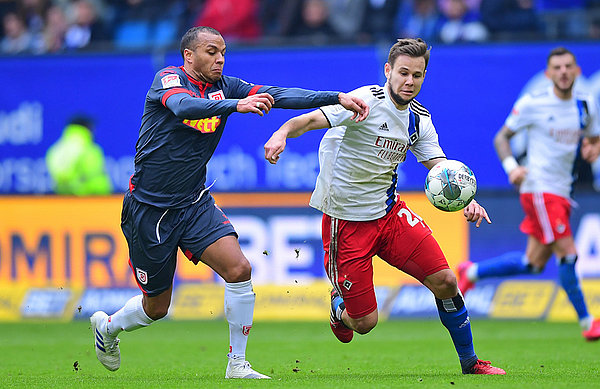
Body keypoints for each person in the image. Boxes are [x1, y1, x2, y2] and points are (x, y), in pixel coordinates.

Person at [89, 26, 368, 379]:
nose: (219, 57)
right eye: (210, 51)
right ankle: (109, 328)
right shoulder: (168, 79)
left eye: (222, 51)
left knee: (239, 270)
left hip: (193, 203)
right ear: (188, 55)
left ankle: (237, 363)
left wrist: (336, 96)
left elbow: (277, 94)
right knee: (157, 308)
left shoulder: (228, 86)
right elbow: (182, 106)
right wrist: (235, 105)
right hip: (150, 210)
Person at [264, 38, 505, 375]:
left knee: (447, 281)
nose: (410, 81)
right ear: (388, 71)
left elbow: (439, 167)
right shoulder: (362, 102)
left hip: (390, 216)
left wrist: (469, 201)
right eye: (403, 73)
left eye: (417, 75)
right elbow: (307, 121)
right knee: (364, 324)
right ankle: (339, 310)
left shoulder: (419, 119)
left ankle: (470, 362)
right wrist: (281, 134)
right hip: (346, 225)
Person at [456, 47, 600, 341]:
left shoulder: (585, 105)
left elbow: (592, 136)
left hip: (562, 191)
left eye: (568, 67)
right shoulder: (534, 103)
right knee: (568, 254)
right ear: (548, 74)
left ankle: (470, 273)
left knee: (532, 264)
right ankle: (588, 323)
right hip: (539, 189)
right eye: (556, 68)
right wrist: (512, 168)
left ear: (576, 71)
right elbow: (502, 137)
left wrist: (592, 147)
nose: (562, 72)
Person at [46, 115, 113, 195]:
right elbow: (65, 172)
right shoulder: (84, 147)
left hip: (67, 197)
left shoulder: (57, 148)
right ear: (86, 128)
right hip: (88, 198)